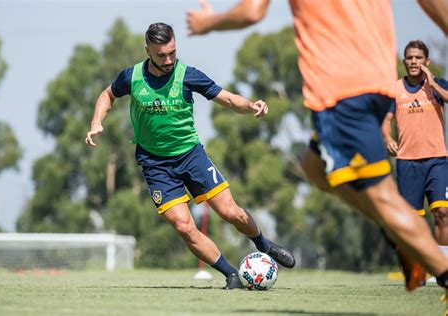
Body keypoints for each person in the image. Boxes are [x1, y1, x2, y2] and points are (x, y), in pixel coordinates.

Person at [186, 0, 448, 291]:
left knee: (382, 195)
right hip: (379, 81)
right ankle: (400, 233)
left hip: (341, 89)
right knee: (314, 166)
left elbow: (251, 11)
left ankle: (428, 258)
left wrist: (207, 23)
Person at [85, 22, 295, 290]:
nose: (169, 59)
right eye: (161, 55)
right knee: (183, 226)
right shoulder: (132, 77)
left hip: (190, 156)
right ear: (147, 49)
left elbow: (227, 99)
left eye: (172, 52)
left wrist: (251, 105)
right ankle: (231, 275)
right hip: (155, 163)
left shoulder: (187, 75)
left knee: (230, 212)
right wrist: (96, 122)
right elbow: (107, 94)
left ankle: (264, 245)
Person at [381, 40, 448, 269]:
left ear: (426, 62)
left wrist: (432, 83)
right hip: (408, 163)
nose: (413, 62)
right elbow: (386, 120)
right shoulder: (396, 89)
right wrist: (388, 139)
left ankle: (442, 267)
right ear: (404, 62)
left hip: (438, 160)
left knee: (442, 213)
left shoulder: (437, 85)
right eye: (409, 57)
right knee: (413, 220)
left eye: (418, 58)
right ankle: (418, 268)